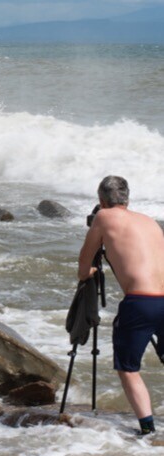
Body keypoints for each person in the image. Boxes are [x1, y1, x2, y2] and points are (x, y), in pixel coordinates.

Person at [78, 175, 164, 435]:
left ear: (101, 201)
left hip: (140, 303)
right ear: (128, 198)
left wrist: (91, 270)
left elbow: (83, 269)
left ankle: (148, 431)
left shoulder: (104, 218)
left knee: (128, 369)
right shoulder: (150, 221)